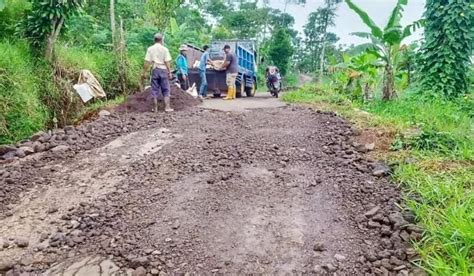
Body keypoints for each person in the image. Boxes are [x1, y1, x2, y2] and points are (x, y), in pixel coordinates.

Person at [141, 33, 173, 112]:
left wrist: (144, 72)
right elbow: (167, 62)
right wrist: (169, 72)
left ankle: (155, 108)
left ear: (154, 40)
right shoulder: (165, 49)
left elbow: (147, 62)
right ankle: (167, 107)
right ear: (162, 40)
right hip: (163, 69)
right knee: (166, 89)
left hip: (155, 69)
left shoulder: (150, 49)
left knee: (154, 89)